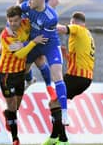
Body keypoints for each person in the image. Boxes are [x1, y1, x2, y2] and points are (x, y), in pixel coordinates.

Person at [42, 12, 95, 145]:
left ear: (74, 22)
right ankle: (57, 138)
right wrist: (67, 55)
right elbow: (82, 58)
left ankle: (61, 139)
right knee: (56, 103)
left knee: (54, 103)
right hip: (85, 78)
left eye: (71, 24)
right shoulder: (87, 35)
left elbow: (61, 29)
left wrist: (46, 24)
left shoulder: (78, 29)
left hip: (76, 76)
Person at [9, 0, 60, 99]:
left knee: (38, 59)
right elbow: (18, 3)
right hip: (25, 26)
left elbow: (54, 1)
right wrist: (14, 19)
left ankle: (48, 87)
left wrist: (40, 16)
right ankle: (31, 80)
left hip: (38, 27)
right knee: (7, 50)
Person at [0, 5, 48, 145]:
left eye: (15, 20)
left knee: (16, 105)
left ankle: (9, 114)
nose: (13, 23)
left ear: (21, 19)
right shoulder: (6, 35)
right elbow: (20, 54)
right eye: (10, 21)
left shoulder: (25, 24)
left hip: (20, 72)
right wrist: (33, 42)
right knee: (12, 104)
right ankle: (15, 138)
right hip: (6, 74)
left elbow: (35, 21)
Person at [20, 0, 69, 126]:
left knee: (58, 77)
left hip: (49, 44)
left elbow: (44, 38)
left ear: (41, 0)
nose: (29, 1)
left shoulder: (51, 16)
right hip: (35, 42)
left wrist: (25, 45)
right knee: (23, 69)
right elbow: (15, 11)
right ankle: (29, 81)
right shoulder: (27, 6)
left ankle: (65, 113)